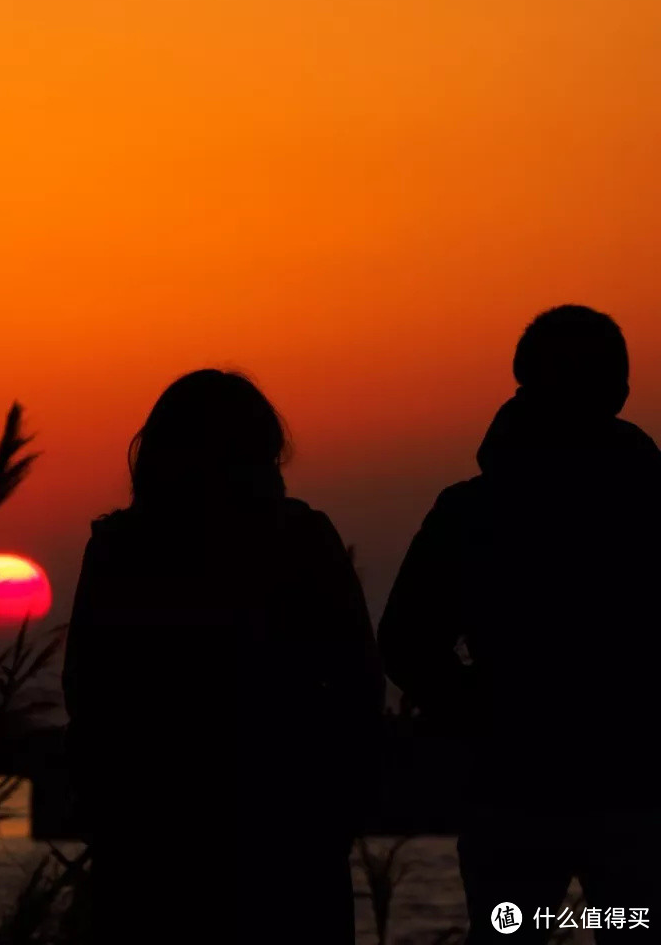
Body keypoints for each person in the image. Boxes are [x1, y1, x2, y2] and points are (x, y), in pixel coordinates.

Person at [62, 368, 384, 945]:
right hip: (286, 831)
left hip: (151, 836)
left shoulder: (120, 547)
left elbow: (88, 691)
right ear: (263, 449)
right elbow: (359, 682)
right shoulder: (303, 538)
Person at [378, 305, 661, 940]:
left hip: (527, 790)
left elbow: (404, 642)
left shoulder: (471, 512)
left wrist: (480, 713)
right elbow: (404, 642)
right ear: (621, 392)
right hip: (617, 789)